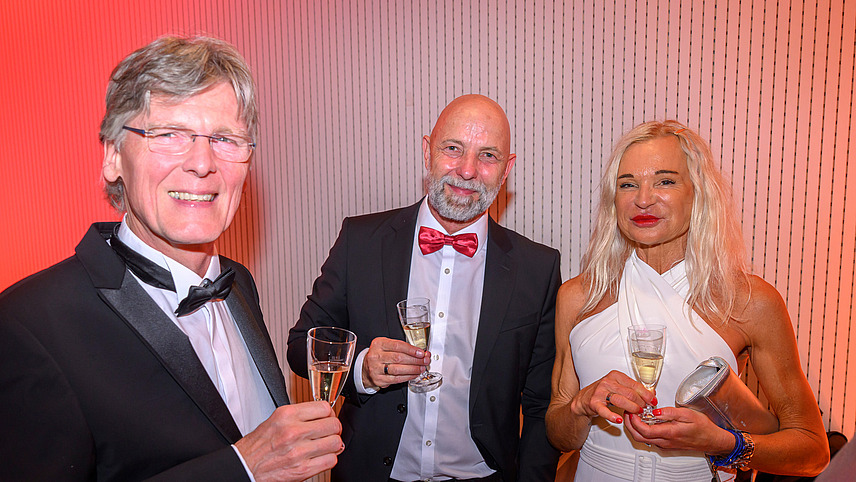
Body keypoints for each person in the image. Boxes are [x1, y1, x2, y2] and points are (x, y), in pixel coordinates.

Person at [0, 36, 342, 481]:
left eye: (224, 138)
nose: (202, 163)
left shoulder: (237, 283)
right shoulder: (29, 324)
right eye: (169, 135)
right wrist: (243, 468)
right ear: (112, 157)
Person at [286, 94, 562, 481]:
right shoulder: (360, 241)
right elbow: (303, 345)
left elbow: (540, 404)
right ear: (427, 150)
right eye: (453, 149)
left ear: (506, 169)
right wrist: (363, 368)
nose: (467, 171)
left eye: (487, 156)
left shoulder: (538, 268)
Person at [545, 120, 830, 481]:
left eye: (665, 181)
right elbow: (557, 432)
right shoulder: (578, 297)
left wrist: (726, 443)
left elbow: (813, 450)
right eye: (627, 184)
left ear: (698, 193)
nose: (643, 199)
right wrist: (582, 405)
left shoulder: (750, 301)